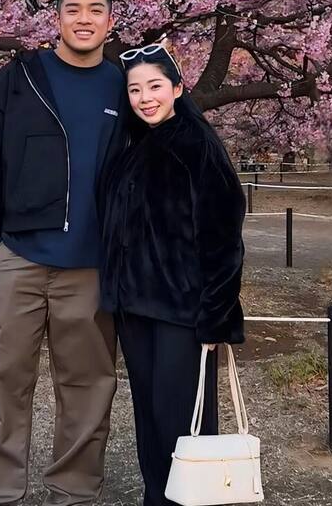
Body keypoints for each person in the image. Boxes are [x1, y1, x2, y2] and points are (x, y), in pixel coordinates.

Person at [0, 0, 128, 506]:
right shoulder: (20, 78)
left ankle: (74, 491)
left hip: (93, 266)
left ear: (110, 21)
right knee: (2, 379)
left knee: (87, 384)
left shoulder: (127, 85)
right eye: (72, 8)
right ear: (56, 18)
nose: (83, 18)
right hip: (20, 257)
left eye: (94, 10)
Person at [97, 43, 246, 506]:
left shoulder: (197, 145)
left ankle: (193, 500)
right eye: (135, 89)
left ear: (178, 88)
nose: (145, 97)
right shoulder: (130, 146)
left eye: (155, 86)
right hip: (133, 307)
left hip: (183, 310)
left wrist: (215, 317)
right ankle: (156, 497)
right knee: (149, 414)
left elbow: (224, 236)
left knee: (183, 416)